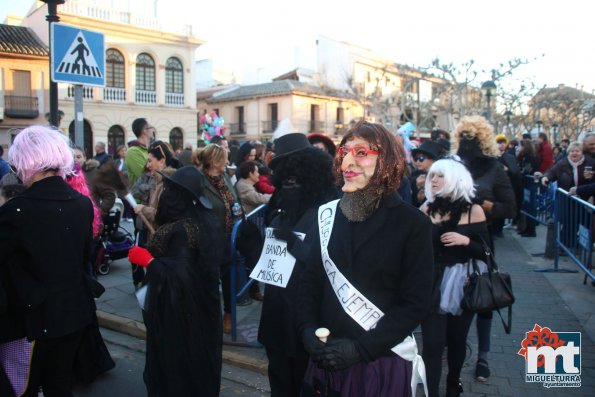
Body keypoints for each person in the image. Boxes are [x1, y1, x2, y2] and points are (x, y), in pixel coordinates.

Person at [297, 121, 434, 397]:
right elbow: (308, 279)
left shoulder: (412, 224)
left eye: (361, 153)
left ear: (386, 162)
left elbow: (415, 303)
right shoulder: (326, 216)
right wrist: (307, 328)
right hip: (326, 359)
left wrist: (362, 349)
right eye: (344, 152)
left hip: (379, 363)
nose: (347, 161)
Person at [0, 125, 95, 396]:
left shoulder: (17, 211)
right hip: (74, 315)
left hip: (31, 323)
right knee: (59, 385)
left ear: (24, 160)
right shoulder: (81, 203)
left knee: (24, 389)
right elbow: (83, 256)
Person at [128, 166, 224, 396]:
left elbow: (180, 276)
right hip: (202, 311)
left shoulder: (181, 230)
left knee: (179, 368)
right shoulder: (202, 221)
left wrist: (149, 262)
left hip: (181, 316)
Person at [258, 132, 338, 397]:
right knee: (279, 379)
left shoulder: (330, 208)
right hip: (276, 312)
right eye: (286, 180)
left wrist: (295, 244)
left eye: (296, 179)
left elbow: (331, 263)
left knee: (307, 382)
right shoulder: (278, 203)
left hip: (308, 313)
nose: (290, 184)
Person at [451, 115, 516, 382]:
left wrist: (488, 207)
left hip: (480, 239)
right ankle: (453, 347)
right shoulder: (452, 165)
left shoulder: (494, 169)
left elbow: (511, 207)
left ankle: (483, 357)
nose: (468, 144)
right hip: (449, 236)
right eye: (464, 137)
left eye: (474, 138)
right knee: (451, 295)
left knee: (484, 296)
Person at [419, 157, 489, 397]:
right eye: (432, 176)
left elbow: (488, 253)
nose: (434, 180)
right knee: (432, 344)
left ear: (456, 179)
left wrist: (466, 241)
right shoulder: (427, 208)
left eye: (440, 176)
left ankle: (453, 385)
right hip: (431, 281)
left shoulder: (474, 210)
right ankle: (431, 392)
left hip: (462, 283)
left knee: (457, 341)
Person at [193, 143, 244, 333]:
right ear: (215, 161)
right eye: (224, 158)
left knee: (229, 279)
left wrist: (239, 211)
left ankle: (228, 314)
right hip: (209, 239)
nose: (227, 162)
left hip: (229, 236)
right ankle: (209, 316)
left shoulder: (225, 177)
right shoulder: (199, 180)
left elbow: (235, 198)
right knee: (210, 281)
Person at [410, 140, 446, 207]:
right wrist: (419, 198)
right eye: (416, 158)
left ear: (432, 160)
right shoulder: (415, 178)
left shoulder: (443, 177)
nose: (418, 161)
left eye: (421, 158)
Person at [125, 118, 154, 187]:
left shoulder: (150, 149)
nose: (153, 130)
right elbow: (145, 174)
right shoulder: (132, 152)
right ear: (144, 131)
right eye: (151, 127)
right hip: (140, 196)